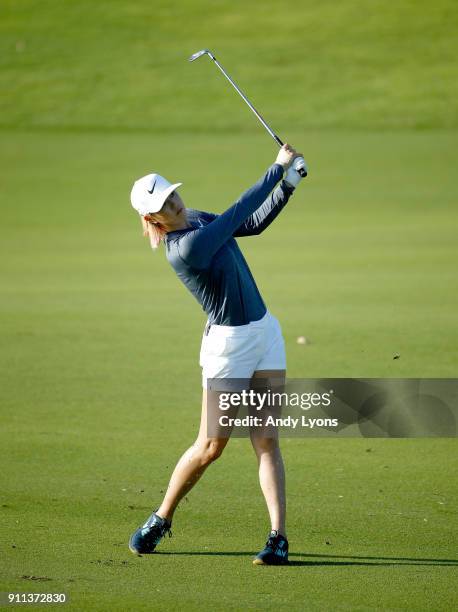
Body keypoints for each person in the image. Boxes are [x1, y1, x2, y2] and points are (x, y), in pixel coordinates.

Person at [128, 144, 305, 565]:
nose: (174, 203)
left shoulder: (198, 219)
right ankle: (161, 517)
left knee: (266, 440)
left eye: (172, 195)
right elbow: (234, 215)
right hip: (229, 349)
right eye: (164, 205)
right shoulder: (184, 247)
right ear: (153, 219)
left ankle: (278, 537)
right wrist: (275, 169)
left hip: (265, 334)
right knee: (211, 446)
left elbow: (251, 223)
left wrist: (289, 185)